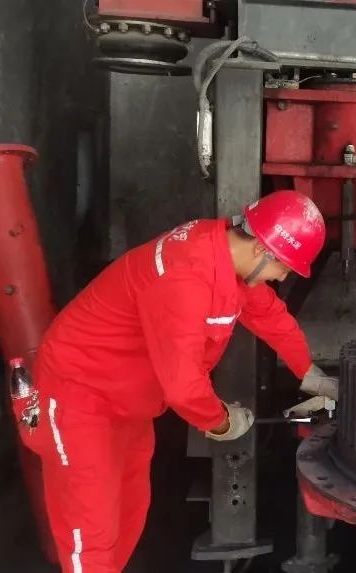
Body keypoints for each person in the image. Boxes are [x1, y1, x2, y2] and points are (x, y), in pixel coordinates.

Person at [29, 190, 338, 572]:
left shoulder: (225, 256)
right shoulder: (186, 276)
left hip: (124, 401)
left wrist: (308, 372)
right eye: (285, 268)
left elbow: (269, 315)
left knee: (128, 511)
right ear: (262, 249)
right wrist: (221, 422)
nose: (283, 277)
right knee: (91, 529)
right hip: (77, 395)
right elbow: (182, 387)